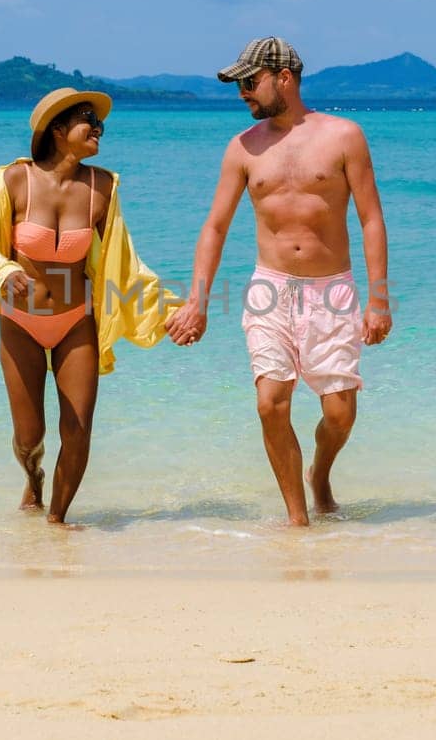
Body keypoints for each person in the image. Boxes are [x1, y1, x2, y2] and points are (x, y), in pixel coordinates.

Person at [165, 38, 391, 526]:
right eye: (240, 85)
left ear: (283, 78)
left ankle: (320, 474)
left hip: (333, 290)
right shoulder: (243, 147)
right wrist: (196, 302)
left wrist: (378, 300)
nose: (243, 93)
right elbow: (215, 227)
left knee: (339, 414)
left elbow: (372, 219)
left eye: (250, 82)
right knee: (271, 403)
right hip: (270, 290)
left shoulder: (344, 136)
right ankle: (297, 521)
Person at [0, 88, 178, 524]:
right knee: (30, 436)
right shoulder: (15, 180)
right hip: (20, 321)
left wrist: (172, 310)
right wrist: (5, 271)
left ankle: (57, 521)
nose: (98, 129)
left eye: (100, 123)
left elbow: (124, 261)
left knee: (78, 429)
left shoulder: (102, 186)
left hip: (76, 321)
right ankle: (33, 476)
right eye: (89, 120)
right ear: (59, 130)